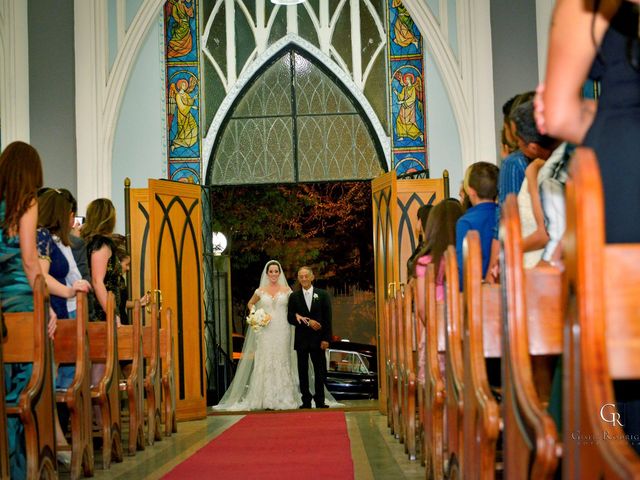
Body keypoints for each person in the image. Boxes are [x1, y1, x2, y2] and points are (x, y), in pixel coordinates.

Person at [0, 141, 56, 480]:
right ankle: (23, 469)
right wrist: (45, 306)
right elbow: (29, 260)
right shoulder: (27, 203)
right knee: (26, 390)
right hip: (22, 301)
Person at [214, 260, 301, 410]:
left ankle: (284, 397)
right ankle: (263, 398)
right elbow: (250, 303)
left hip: (282, 329)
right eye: (271, 271)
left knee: (282, 359)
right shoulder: (260, 290)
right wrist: (256, 314)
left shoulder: (287, 291)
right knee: (266, 359)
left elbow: (293, 308)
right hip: (266, 330)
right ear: (267, 274)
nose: (273, 274)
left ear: (279, 273)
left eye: (276, 271)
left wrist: (298, 316)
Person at [410, 199, 463, 383]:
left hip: (438, 332)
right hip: (467, 333)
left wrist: (437, 325)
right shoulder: (465, 256)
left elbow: (423, 310)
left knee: (437, 385)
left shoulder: (426, 263)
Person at [287, 266, 333, 409]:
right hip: (301, 340)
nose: (304, 279)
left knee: (320, 371)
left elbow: (328, 319)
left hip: (319, 340)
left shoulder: (323, 294)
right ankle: (305, 400)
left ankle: (320, 400)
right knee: (302, 372)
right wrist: (308, 322)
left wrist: (326, 339)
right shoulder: (294, 296)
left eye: (306, 276)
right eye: (301, 276)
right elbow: (290, 318)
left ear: (312, 277)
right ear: (298, 279)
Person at [456, 161, 500, 285]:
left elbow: (463, 268)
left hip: (477, 291)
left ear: (470, 190)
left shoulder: (466, 222)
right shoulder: (503, 215)